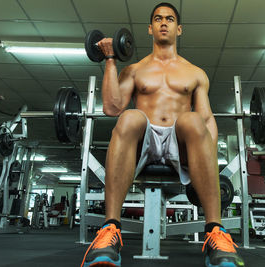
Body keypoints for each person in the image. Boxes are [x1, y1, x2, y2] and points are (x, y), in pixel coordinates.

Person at [81, 3, 244, 267]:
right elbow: (112, 107)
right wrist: (110, 59)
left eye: (169, 19)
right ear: (150, 28)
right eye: (158, 19)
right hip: (143, 140)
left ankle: (216, 232)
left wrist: (209, 162)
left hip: (180, 142)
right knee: (130, 116)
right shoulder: (134, 70)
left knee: (191, 119)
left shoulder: (195, 73)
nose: (164, 22)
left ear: (179, 29)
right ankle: (110, 232)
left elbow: (206, 120)